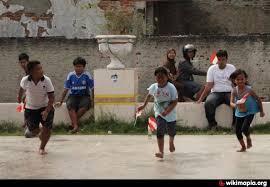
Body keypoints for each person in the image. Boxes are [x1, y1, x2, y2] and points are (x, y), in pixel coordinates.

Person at [137, 67, 178, 158]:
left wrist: (167, 111)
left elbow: (175, 101)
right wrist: (143, 106)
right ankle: (161, 151)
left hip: (171, 113)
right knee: (160, 130)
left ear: (167, 77)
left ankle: (171, 142)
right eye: (158, 78)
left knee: (171, 131)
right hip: (159, 112)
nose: (160, 80)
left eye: (162, 77)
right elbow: (149, 96)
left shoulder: (171, 88)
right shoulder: (154, 87)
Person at [17, 61, 55, 155]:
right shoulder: (25, 80)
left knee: (47, 129)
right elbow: (21, 89)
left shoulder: (47, 80)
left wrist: (46, 111)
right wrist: (19, 98)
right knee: (33, 130)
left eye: (41, 68)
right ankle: (42, 133)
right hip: (30, 108)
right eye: (38, 69)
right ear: (31, 72)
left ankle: (42, 148)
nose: (41, 70)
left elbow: (52, 97)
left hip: (45, 106)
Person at [197, 50, 236, 129]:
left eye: (223, 59)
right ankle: (213, 125)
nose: (221, 62)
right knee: (208, 103)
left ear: (226, 59)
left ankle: (235, 125)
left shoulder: (232, 68)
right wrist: (201, 99)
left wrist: (239, 94)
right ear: (217, 59)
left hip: (229, 92)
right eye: (219, 59)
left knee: (237, 103)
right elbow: (208, 86)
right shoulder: (212, 69)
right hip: (216, 93)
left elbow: (235, 84)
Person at [55, 57, 94, 133]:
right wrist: (61, 101)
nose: (78, 68)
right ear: (74, 67)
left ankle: (73, 124)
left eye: (80, 67)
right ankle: (76, 126)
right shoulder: (70, 75)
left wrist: (93, 100)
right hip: (73, 95)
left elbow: (92, 89)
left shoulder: (87, 75)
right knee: (70, 105)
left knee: (84, 107)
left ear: (84, 67)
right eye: (76, 66)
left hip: (84, 95)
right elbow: (66, 89)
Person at [230, 69, 265, 152]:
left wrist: (261, 111)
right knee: (237, 131)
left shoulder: (249, 90)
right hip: (239, 111)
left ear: (246, 79)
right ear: (234, 81)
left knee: (244, 128)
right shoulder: (234, 90)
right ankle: (243, 147)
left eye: (242, 79)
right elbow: (231, 102)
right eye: (238, 79)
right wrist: (236, 105)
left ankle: (248, 138)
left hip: (250, 111)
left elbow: (258, 100)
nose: (240, 81)